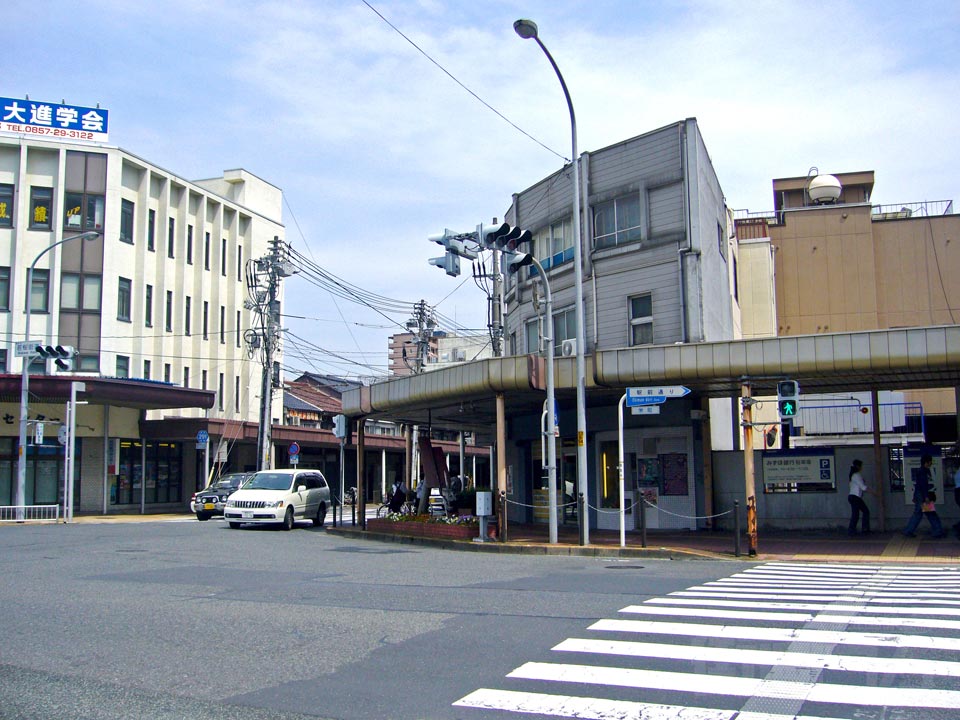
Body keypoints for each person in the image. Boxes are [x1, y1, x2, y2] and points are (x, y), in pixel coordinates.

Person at [903, 454, 945, 538]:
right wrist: (926, 497)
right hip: (923, 496)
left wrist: (915, 496)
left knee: (918, 514)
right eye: (930, 462)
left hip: (919, 495)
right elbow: (924, 485)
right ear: (927, 462)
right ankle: (938, 531)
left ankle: (908, 530)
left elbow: (918, 485)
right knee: (930, 513)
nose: (931, 463)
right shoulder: (923, 472)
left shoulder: (920, 471)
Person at [847, 459, 872, 535]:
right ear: (858, 466)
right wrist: (875, 493)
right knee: (864, 512)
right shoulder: (856, 475)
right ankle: (862, 529)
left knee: (856, 514)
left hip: (853, 497)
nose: (862, 467)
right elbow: (863, 487)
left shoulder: (853, 475)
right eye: (861, 465)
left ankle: (853, 530)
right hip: (855, 497)